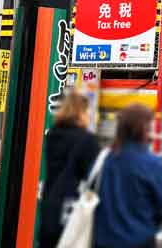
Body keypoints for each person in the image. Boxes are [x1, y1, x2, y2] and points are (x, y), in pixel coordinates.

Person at [94, 104, 162, 248]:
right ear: (144, 129)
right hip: (139, 238)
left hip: (103, 239)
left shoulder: (104, 159)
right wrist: (148, 225)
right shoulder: (152, 164)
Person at [39, 91, 100, 248]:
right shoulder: (87, 140)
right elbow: (94, 178)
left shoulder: (53, 135)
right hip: (74, 209)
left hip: (51, 204)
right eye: (87, 112)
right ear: (80, 113)